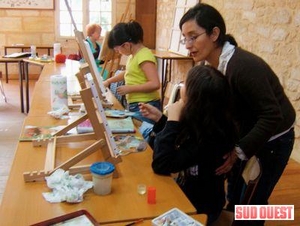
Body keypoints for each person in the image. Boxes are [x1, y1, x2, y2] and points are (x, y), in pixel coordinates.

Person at [179, 3, 296, 225]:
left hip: (274, 138)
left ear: (215, 33)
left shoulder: (242, 66)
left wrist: (238, 151)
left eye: (193, 37)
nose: (188, 45)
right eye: (185, 38)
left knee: (253, 201)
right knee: (236, 196)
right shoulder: (212, 65)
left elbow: (272, 115)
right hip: (247, 131)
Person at [139, 65, 238, 225]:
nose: (182, 86)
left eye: (186, 83)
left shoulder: (210, 138)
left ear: (196, 100)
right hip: (186, 194)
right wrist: (161, 120)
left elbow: (161, 163)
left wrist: (172, 122)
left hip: (199, 209)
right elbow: (163, 148)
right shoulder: (204, 122)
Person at [103, 20, 161, 139]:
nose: (119, 52)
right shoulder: (133, 56)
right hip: (137, 105)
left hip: (147, 106)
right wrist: (109, 81)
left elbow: (155, 83)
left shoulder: (144, 55)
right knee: (137, 135)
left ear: (126, 45)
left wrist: (130, 89)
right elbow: (128, 73)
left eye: (118, 49)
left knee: (143, 138)